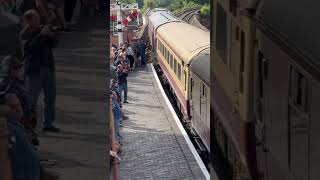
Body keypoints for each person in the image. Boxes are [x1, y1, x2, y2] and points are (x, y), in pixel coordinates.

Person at [20, 10, 59, 132]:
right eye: (35, 19)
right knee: (32, 99)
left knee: (50, 97)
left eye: (38, 19)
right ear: (29, 21)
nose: (38, 21)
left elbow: (54, 44)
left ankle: (48, 123)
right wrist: (41, 35)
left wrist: (51, 36)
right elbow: (30, 48)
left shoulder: (41, 30)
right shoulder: (25, 34)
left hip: (48, 68)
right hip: (34, 70)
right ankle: (30, 124)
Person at [5, 93, 59, 180]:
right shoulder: (9, 131)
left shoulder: (19, 127)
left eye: (18, 105)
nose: (18, 109)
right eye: (12, 107)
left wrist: (42, 173)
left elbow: (30, 156)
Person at [0, 55, 39, 146]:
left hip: (24, 124)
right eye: (15, 68)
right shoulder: (7, 86)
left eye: (19, 67)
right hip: (16, 125)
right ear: (9, 69)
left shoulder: (18, 83)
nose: (18, 70)